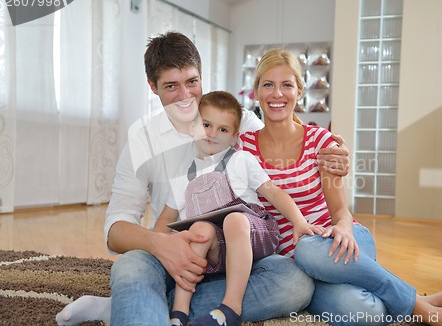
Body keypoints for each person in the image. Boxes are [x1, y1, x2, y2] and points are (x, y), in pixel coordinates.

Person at [55, 31, 350, 326]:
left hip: (239, 250)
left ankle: (131, 305)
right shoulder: (141, 140)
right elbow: (116, 230)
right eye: (171, 86)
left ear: (202, 77)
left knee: (295, 283)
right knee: (131, 266)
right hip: (177, 248)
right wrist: (161, 245)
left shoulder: (238, 120)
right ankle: (144, 300)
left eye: (192, 82)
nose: (185, 96)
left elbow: (281, 154)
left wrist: (330, 150)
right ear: (152, 86)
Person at [238, 47, 442, 326]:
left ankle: (425, 310)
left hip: (337, 246)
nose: (277, 94)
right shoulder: (244, 146)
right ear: (257, 91)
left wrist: (344, 229)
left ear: (298, 91)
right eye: (268, 85)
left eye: (286, 85)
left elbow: (340, 211)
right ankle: (417, 299)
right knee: (366, 315)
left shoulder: (320, 141)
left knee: (309, 249)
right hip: (295, 267)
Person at [155, 90, 325, 326]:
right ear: (194, 125)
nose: (213, 134)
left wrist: (299, 221)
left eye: (223, 130)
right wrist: (156, 250)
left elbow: (273, 191)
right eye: (206, 125)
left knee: (234, 219)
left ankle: (230, 309)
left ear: (234, 136)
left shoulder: (240, 159)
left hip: (252, 234)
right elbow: (165, 218)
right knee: (199, 230)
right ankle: (179, 313)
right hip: (217, 252)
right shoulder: (183, 172)